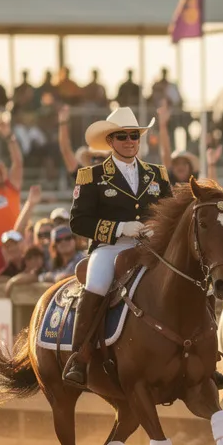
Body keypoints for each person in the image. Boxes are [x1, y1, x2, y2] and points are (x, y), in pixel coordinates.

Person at [64, 107, 172, 388]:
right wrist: (118, 229)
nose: (129, 141)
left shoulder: (157, 174)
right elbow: (78, 222)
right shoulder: (92, 175)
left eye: (134, 135)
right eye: (122, 136)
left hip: (150, 246)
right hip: (111, 248)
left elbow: (171, 213)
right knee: (97, 284)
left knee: (187, 277)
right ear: (110, 141)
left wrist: (157, 229)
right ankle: (79, 356)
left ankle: (204, 356)